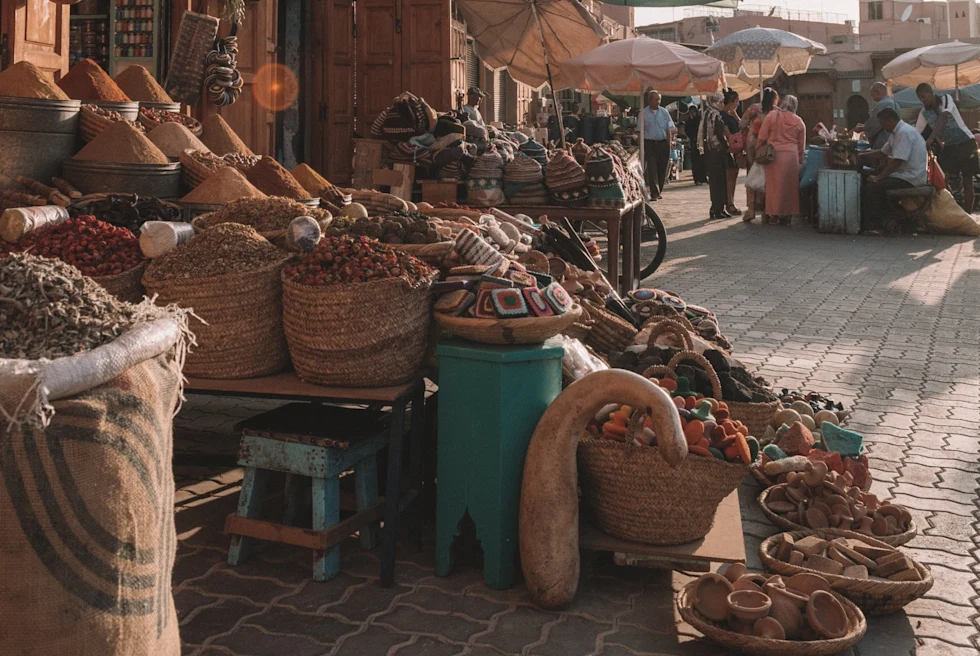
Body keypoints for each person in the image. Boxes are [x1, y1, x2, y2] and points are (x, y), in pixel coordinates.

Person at [859, 107, 928, 231]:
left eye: (882, 123)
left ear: (890, 120)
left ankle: (874, 226)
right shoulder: (896, 132)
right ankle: (889, 219)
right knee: (871, 182)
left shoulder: (904, 132)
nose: (882, 126)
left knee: (872, 188)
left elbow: (897, 161)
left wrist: (878, 177)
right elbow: (882, 153)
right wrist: (861, 155)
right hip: (904, 174)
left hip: (911, 177)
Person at [915, 82, 978, 211]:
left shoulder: (945, 99)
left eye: (924, 96)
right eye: (920, 98)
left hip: (965, 142)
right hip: (949, 145)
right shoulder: (923, 112)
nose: (923, 100)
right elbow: (917, 132)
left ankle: (967, 212)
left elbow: (943, 119)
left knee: (967, 179)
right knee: (943, 179)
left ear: (931, 93)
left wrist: (931, 138)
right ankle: (954, 209)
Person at [758, 94, 806, 225]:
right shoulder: (799, 121)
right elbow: (801, 146)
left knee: (773, 186)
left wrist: (758, 149)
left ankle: (773, 214)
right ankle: (787, 215)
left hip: (773, 155)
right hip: (791, 156)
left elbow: (762, 136)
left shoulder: (772, 116)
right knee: (789, 187)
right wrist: (800, 159)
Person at [740, 87, 779, 222]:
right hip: (768, 147)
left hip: (752, 145)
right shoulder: (776, 112)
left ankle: (751, 208)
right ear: (774, 99)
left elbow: (741, 123)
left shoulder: (753, 108)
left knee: (752, 175)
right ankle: (765, 210)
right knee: (768, 176)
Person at [701, 92, 731, 219]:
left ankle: (715, 208)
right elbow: (719, 134)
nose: (722, 104)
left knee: (714, 182)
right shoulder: (716, 115)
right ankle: (719, 208)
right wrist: (727, 146)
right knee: (720, 181)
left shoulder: (706, 113)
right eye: (721, 102)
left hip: (709, 151)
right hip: (717, 151)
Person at [643, 90, 677, 200]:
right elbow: (640, 131)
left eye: (659, 100)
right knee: (652, 168)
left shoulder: (664, 112)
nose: (658, 102)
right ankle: (654, 193)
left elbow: (669, 129)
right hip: (650, 143)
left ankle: (659, 190)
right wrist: (641, 146)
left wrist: (669, 143)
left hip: (663, 143)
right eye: (656, 99)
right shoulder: (643, 113)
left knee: (662, 168)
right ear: (650, 100)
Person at [859, 82, 900, 150]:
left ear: (877, 91)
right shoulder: (895, 104)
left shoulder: (883, 104)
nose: (873, 98)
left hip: (884, 141)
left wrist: (863, 128)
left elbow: (874, 124)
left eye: (872, 95)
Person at [721, 88, 742, 215]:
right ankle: (729, 203)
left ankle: (731, 202)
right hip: (729, 150)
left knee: (734, 176)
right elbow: (727, 134)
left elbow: (742, 126)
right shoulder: (722, 116)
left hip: (736, 149)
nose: (738, 104)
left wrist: (735, 115)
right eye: (737, 101)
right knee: (729, 177)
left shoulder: (731, 115)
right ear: (732, 101)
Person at [685, 105, 707, 185]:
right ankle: (697, 179)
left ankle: (703, 178)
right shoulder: (689, 121)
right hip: (694, 143)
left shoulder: (699, 120)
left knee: (702, 161)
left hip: (700, 143)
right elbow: (687, 130)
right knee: (695, 162)